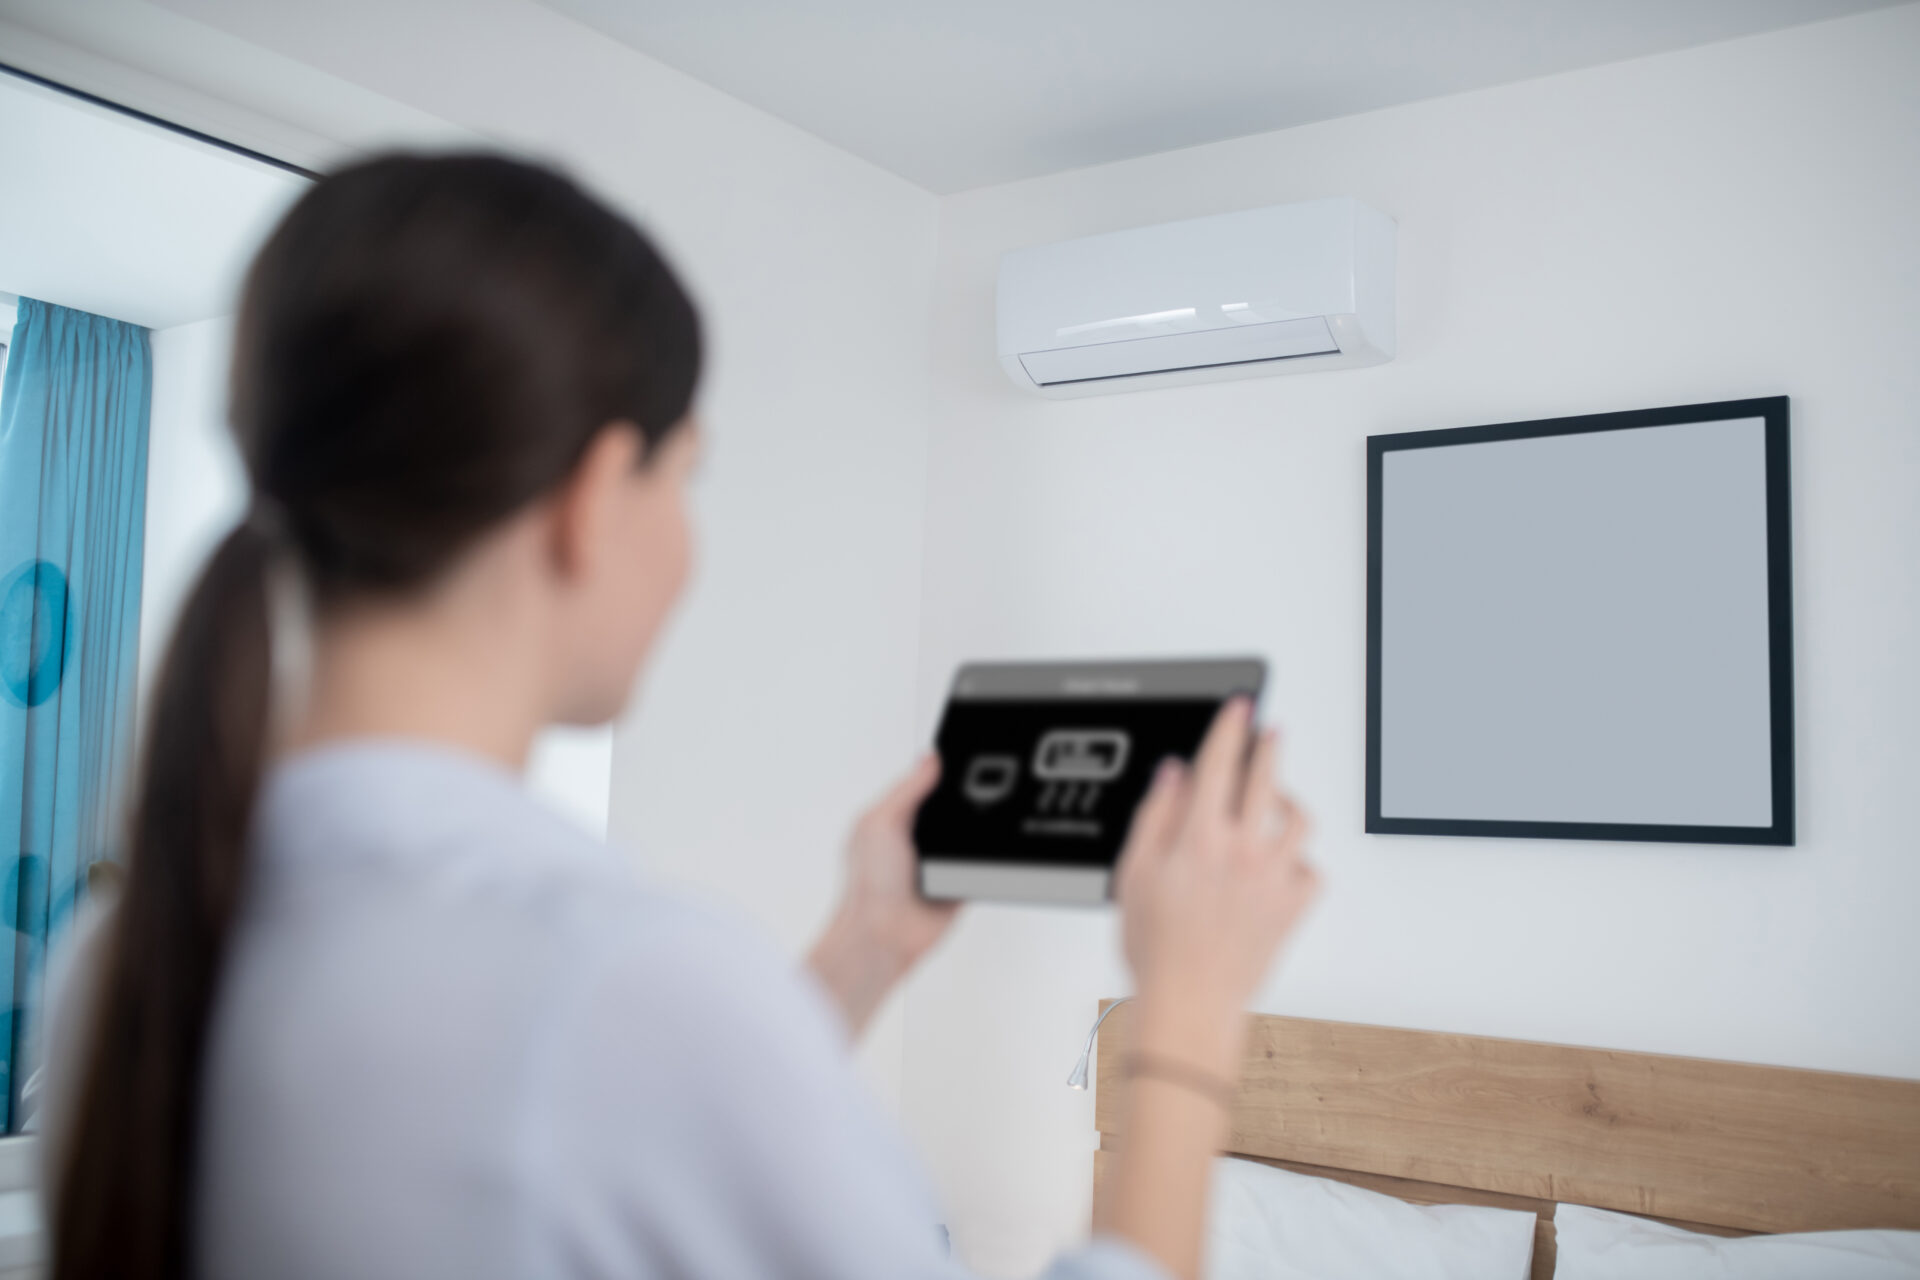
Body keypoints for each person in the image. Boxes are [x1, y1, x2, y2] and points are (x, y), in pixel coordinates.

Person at [41, 154, 1319, 1280]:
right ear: (595, 497)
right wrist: (1187, 1020)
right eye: (687, 475)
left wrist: (863, 943)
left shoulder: (118, 964)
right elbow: (605, 1073)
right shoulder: (611, 979)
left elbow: (601, 1151)